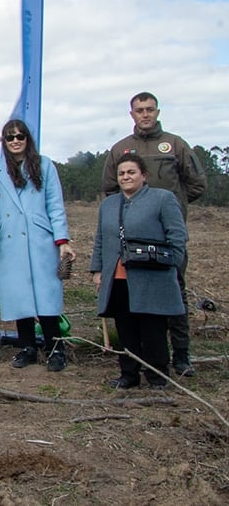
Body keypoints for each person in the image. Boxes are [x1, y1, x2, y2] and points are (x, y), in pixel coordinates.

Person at [101, 92, 206, 377]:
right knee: (130, 301)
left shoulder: (175, 145)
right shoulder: (121, 148)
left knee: (174, 295)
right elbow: (110, 188)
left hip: (166, 240)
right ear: (131, 114)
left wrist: (170, 209)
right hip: (130, 243)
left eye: (149, 109)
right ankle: (137, 359)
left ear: (157, 112)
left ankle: (181, 355)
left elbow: (196, 184)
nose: (145, 114)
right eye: (139, 110)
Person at [0, 120, 74, 371]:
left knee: (46, 297)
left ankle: (55, 348)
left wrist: (62, 240)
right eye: (10, 137)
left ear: (28, 139)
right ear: (3, 141)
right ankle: (27, 348)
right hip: (9, 241)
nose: (15, 141)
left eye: (20, 136)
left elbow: (55, 205)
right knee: (18, 296)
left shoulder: (44, 166)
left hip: (40, 239)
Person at [92, 153, 187, 389]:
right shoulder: (109, 204)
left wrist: (172, 262)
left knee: (152, 328)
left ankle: (157, 376)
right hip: (118, 277)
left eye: (131, 172)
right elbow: (101, 239)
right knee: (125, 328)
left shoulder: (162, 199)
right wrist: (97, 269)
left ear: (143, 175)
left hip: (151, 277)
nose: (126, 177)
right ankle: (129, 374)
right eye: (122, 173)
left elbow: (177, 235)